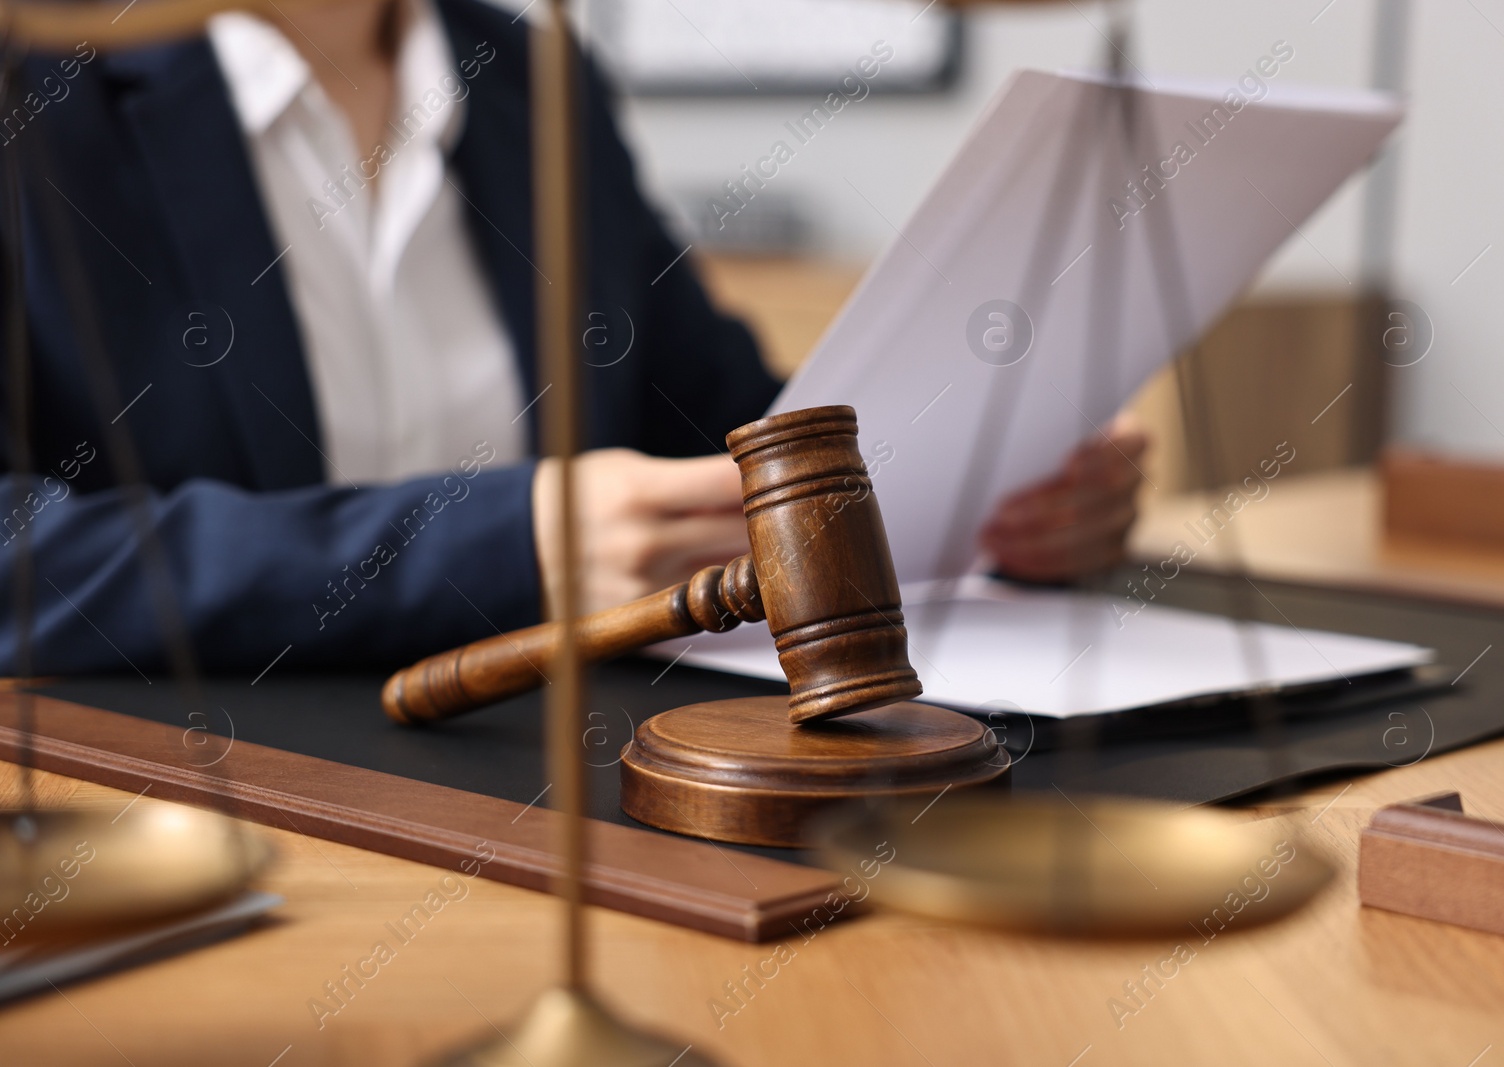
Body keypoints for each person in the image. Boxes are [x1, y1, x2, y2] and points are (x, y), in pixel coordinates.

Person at [0, 0, 1146, 677]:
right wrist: (501, 549)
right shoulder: (36, 71)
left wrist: (981, 483)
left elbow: (715, 414)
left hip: (569, 799)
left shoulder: (531, 76)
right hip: (213, 831)